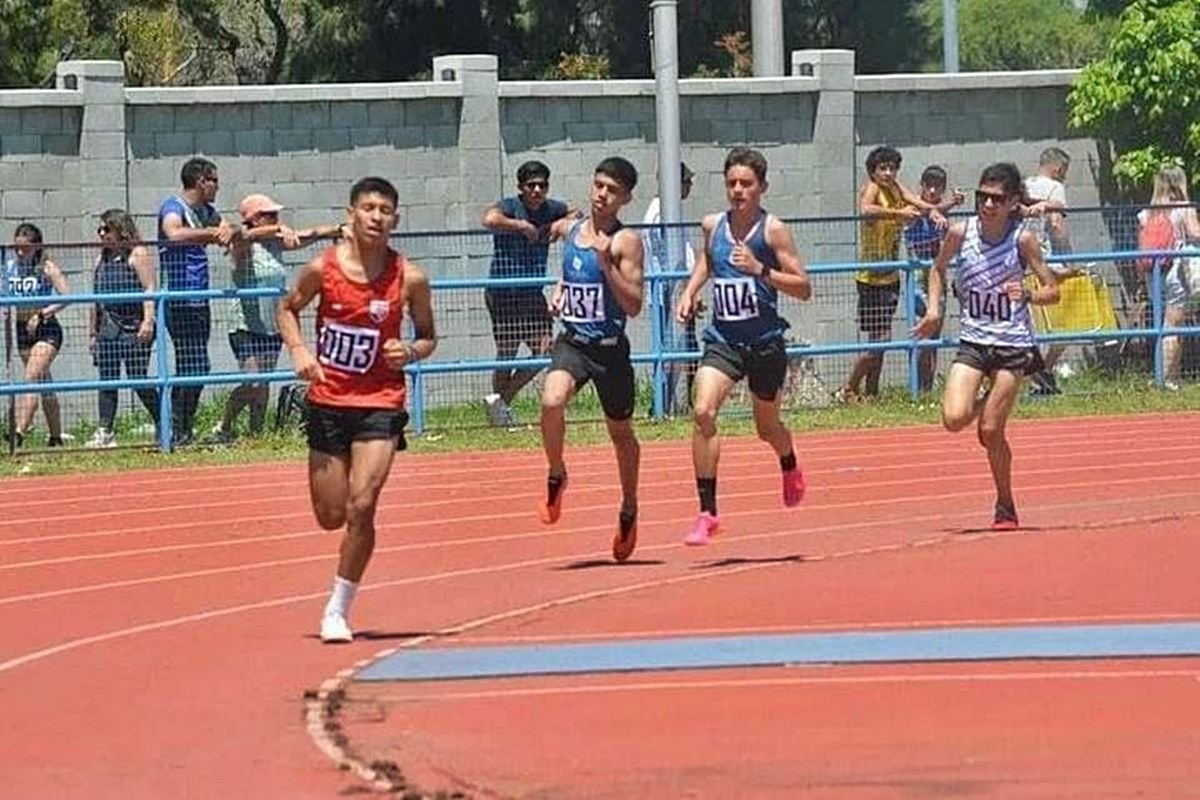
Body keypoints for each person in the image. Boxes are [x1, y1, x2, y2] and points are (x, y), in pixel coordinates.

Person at [276, 176, 436, 644]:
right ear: (351, 215)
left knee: (362, 504)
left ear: (395, 220)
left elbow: (428, 335)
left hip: (380, 402)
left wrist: (410, 350)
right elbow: (287, 308)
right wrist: (300, 351)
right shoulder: (322, 268)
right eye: (368, 208)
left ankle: (337, 609)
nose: (376, 217)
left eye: (385, 210)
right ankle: (342, 563)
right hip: (329, 400)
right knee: (331, 515)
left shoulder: (410, 277)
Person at [675, 147, 813, 546]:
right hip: (724, 342)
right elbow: (707, 260)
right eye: (732, 183)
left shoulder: (773, 231)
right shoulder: (713, 225)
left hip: (765, 344)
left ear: (762, 187)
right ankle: (708, 513)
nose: (738, 190)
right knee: (702, 411)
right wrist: (690, 291)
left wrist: (760, 269)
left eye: (746, 184)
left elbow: (803, 287)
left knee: (767, 429)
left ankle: (788, 461)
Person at [913, 162, 1060, 530]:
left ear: (1012, 202)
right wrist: (933, 310)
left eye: (996, 199)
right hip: (975, 341)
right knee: (953, 419)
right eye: (983, 197)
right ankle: (988, 398)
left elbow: (1053, 290)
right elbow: (937, 269)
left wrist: (1028, 294)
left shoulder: (1022, 239)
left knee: (991, 432)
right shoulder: (961, 233)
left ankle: (1005, 504)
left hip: (1013, 346)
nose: (988, 204)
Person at [537, 157, 645, 563]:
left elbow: (634, 304)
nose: (601, 194)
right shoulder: (571, 230)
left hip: (610, 350)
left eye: (612, 190)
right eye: (598, 185)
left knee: (621, 433)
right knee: (551, 401)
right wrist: (561, 291)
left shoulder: (625, 242)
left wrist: (606, 265)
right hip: (573, 343)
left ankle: (629, 508)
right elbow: (571, 272)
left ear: (625, 198)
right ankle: (556, 472)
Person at [211, 194, 341, 443]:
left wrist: (337, 228)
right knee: (253, 382)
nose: (276, 218)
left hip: (272, 324)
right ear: (255, 218)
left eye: (276, 215)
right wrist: (278, 228)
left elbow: (310, 234)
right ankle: (224, 426)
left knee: (264, 383)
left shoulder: (276, 243)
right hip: (246, 325)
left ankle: (256, 435)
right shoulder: (244, 244)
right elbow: (240, 233)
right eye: (269, 215)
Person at [839, 146, 946, 402]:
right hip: (871, 277)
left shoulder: (895, 188)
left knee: (880, 342)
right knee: (881, 339)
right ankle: (848, 387)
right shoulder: (872, 188)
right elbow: (866, 209)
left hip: (891, 276)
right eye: (883, 168)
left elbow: (916, 202)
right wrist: (899, 213)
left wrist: (932, 210)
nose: (888, 173)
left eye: (892, 168)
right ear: (873, 171)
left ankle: (871, 394)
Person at [480, 160, 572, 428]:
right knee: (507, 353)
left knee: (546, 351)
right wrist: (521, 226)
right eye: (531, 185)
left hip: (532, 293)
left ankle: (501, 400)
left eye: (542, 185)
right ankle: (499, 413)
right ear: (521, 187)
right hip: (503, 292)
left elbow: (577, 214)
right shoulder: (510, 206)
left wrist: (560, 225)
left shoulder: (551, 208)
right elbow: (489, 219)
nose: (537, 190)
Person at [158, 157, 240, 446]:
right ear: (201, 181)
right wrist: (212, 234)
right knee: (191, 365)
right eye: (214, 180)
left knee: (197, 366)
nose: (217, 186)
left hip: (199, 300)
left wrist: (231, 231)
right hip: (179, 300)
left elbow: (228, 227)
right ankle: (174, 430)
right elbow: (173, 232)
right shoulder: (173, 207)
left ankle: (182, 429)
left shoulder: (206, 211)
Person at [87, 210, 159, 448]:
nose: (101, 234)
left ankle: (164, 420)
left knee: (137, 377)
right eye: (100, 229)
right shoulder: (101, 259)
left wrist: (148, 321)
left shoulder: (137, 254)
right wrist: (93, 332)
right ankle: (105, 430)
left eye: (106, 229)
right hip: (108, 329)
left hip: (133, 327)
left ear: (120, 230)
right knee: (107, 379)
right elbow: (95, 299)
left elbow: (149, 289)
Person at [4, 223, 69, 448]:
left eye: (25, 248)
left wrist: (42, 313)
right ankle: (56, 436)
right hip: (22, 330)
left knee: (31, 378)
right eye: (17, 248)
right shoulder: (10, 267)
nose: (20, 252)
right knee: (43, 383)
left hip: (46, 329)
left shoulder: (46, 267)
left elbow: (66, 296)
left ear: (36, 246)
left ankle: (18, 432)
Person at [1137, 165, 1200, 390]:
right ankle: (1165, 379)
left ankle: (1173, 376)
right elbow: (1195, 233)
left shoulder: (1147, 213)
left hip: (1154, 272)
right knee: (1172, 325)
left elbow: (1142, 245)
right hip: (1177, 271)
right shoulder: (1183, 208)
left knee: (1167, 324)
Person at [903, 165, 965, 392]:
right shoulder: (913, 208)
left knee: (935, 334)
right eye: (928, 186)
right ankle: (917, 388)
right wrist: (944, 207)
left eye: (937, 187)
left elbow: (948, 234)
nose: (932, 191)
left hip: (938, 277)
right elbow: (921, 212)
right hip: (918, 278)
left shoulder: (941, 213)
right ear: (921, 186)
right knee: (922, 333)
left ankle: (927, 388)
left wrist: (949, 207)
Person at [642, 161, 697, 416]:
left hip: (673, 288)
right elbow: (670, 255)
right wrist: (684, 289)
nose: (689, 187)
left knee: (682, 348)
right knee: (672, 350)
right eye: (686, 182)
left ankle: (671, 404)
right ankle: (664, 405)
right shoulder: (662, 212)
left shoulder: (669, 210)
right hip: (668, 289)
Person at [1023, 147, 1075, 395]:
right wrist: (1068, 260)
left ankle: (1039, 377)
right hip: (1044, 261)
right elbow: (1057, 225)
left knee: (1030, 327)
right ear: (1058, 167)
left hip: (1020, 261)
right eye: (1065, 170)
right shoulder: (1056, 188)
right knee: (1062, 326)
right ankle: (1041, 375)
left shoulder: (1024, 185)